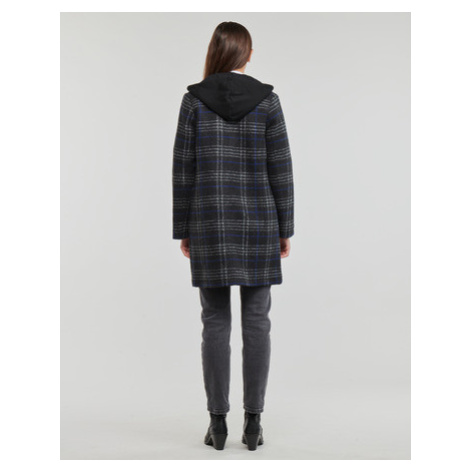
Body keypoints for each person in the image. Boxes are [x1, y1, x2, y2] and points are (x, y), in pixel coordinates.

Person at [172, 21, 294, 451]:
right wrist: (284, 227)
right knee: (258, 322)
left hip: (209, 221)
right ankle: (254, 423)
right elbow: (281, 167)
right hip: (260, 223)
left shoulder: (194, 101)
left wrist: (183, 228)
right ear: (248, 54)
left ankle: (218, 424)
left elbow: (183, 169)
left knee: (215, 322)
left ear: (215, 52)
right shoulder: (268, 101)